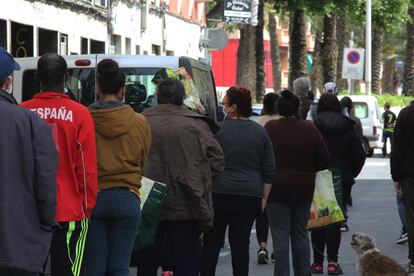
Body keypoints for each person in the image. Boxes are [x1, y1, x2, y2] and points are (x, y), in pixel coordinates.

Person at [21, 53, 98, 276]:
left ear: (38, 78)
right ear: (65, 78)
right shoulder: (80, 114)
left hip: (29, 210)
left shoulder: (22, 112)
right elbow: (86, 169)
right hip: (69, 211)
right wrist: (86, 207)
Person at [142, 78, 225, 276]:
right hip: (187, 198)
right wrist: (197, 173)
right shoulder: (195, 124)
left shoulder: (142, 120)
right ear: (181, 97)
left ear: (158, 97)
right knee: (186, 260)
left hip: (148, 196)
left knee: (147, 258)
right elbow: (217, 160)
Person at [84, 59, 152, 275]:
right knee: (120, 266)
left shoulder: (84, 118)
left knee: (93, 265)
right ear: (123, 90)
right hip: (127, 196)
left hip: (93, 196)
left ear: (97, 88)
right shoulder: (139, 122)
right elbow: (143, 159)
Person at [201, 86, 275, 276]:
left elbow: (204, 161)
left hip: (219, 193)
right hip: (248, 195)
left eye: (225, 104)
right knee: (240, 244)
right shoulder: (259, 132)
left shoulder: (217, 129)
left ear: (234, 107)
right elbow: (269, 168)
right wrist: (263, 199)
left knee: (211, 243)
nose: (223, 107)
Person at [0, 48, 58, 276]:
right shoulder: (31, 123)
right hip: (19, 243)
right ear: (7, 81)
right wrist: (46, 222)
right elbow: (45, 180)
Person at [265, 90, 330, 276]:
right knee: (300, 233)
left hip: (276, 189)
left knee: (280, 236)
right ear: (298, 108)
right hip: (303, 188)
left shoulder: (270, 128)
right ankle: (303, 272)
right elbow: (324, 158)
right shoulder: (309, 128)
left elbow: (262, 157)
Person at [311, 93, 365, 275]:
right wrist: (350, 173)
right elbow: (359, 154)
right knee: (335, 219)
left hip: (319, 176)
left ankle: (317, 263)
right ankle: (333, 262)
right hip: (341, 177)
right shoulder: (348, 126)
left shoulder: (314, 125)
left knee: (319, 218)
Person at [254, 92, 280, 264]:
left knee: (261, 212)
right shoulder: (282, 123)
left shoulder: (258, 124)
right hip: (280, 173)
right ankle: (278, 249)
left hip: (260, 173)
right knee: (278, 212)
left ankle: (262, 245)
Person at [391, 103, 414, 273]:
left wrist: (396, 177)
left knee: (412, 218)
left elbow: (397, 148)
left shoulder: (406, 114)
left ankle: (413, 259)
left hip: (410, 174)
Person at [339, 96, 363, 231]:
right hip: (348, 163)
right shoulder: (355, 121)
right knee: (345, 190)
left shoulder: (326, 122)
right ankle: (343, 216)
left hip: (334, 163)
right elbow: (359, 141)